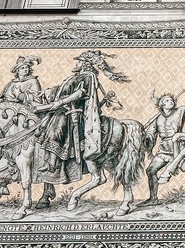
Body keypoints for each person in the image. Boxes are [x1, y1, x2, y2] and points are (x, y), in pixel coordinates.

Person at [37, 50, 128, 178]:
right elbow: (62, 89)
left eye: (79, 62)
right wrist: (47, 92)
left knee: (55, 130)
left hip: (74, 112)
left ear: (86, 64)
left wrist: (59, 102)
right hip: (64, 109)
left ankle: (52, 164)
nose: (76, 64)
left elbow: (79, 94)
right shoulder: (75, 77)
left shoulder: (87, 77)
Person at [139, 92, 185, 208]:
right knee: (151, 171)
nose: (171, 101)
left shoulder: (180, 111)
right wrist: (146, 138)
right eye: (167, 100)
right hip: (164, 150)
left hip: (180, 147)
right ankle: (153, 199)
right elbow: (151, 134)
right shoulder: (157, 119)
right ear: (161, 104)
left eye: (171, 100)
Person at [0, 56, 43, 171]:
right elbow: (5, 98)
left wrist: (21, 96)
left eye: (27, 68)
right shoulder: (12, 83)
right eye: (22, 68)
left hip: (24, 114)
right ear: (17, 70)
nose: (25, 70)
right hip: (8, 114)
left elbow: (37, 100)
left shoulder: (33, 81)